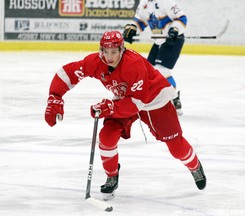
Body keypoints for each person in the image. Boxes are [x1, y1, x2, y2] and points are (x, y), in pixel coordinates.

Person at [44, 31, 206, 201]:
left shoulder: (133, 64)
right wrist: (55, 96)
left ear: (122, 50)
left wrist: (111, 107)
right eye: (105, 51)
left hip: (156, 99)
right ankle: (112, 176)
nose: (109, 57)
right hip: (125, 99)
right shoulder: (96, 62)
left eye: (114, 52)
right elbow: (67, 73)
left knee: (176, 146)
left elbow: (137, 103)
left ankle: (195, 166)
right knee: (106, 137)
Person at [123, 0, 186, 115]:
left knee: (162, 71)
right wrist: (132, 28)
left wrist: (175, 29)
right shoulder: (144, 3)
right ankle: (156, 100)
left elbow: (182, 18)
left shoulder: (167, 2)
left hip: (173, 40)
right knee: (148, 71)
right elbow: (139, 20)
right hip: (159, 41)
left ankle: (174, 99)